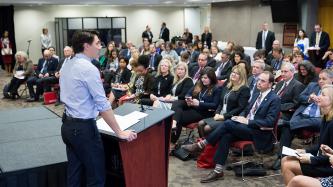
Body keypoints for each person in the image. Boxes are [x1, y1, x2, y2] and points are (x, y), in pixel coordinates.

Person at [59, 30, 137, 187]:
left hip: (67, 126)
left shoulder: (68, 61)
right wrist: (119, 132)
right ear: (86, 46)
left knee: (75, 173)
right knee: (96, 177)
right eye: (97, 44)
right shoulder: (88, 69)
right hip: (83, 129)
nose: (100, 47)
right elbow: (103, 106)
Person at [183, 71, 280, 183]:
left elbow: (270, 122)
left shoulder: (274, 99)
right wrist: (240, 118)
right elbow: (246, 110)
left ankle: (202, 144)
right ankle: (218, 170)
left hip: (260, 132)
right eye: (258, 80)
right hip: (246, 127)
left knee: (228, 123)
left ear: (270, 84)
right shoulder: (257, 94)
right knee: (226, 135)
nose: (259, 83)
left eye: (263, 81)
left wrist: (247, 121)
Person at [281, 84, 333, 186]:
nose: (318, 97)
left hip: (327, 166)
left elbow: (330, 156)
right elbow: (321, 146)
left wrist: (311, 159)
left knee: (288, 165)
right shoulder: (326, 118)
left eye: (323, 95)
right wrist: (305, 151)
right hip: (322, 160)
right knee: (285, 159)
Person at [171, 67, 221, 143]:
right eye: (202, 77)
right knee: (177, 102)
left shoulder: (216, 89)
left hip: (203, 112)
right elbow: (188, 93)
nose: (203, 79)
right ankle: (173, 124)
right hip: (193, 106)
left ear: (211, 78)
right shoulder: (199, 83)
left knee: (179, 117)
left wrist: (199, 103)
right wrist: (188, 98)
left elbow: (215, 105)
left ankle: (172, 142)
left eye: (205, 78)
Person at [198, 65, 250, 136]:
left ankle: (207, 144)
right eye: (233, 72)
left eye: (237, 73)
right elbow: (220, 103)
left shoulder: (244, 89)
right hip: (220, 115)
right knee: (200, 124)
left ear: (241, 76)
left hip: (230, 118)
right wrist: (217, 113)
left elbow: (240, 108)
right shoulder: (227, 85)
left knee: (207, 128)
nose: (233, 74)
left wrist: (224, 116)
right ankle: (204, 144)